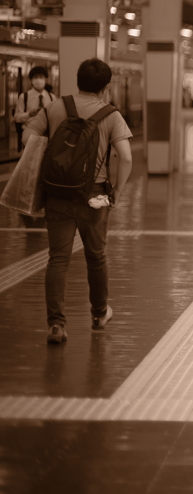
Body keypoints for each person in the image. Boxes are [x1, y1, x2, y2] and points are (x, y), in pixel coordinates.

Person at [23, 58, 133, 345]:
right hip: (95, 195)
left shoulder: (56, 106)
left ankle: (56, 325)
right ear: (106, 87)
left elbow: (27, 137)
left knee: (57, 259)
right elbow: (127, 156)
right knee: (96, 257)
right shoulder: (111, 114)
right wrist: (118, 191)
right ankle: (99, 314)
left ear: (77, 80)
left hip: (57, 193)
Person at [14, 66, 55, 151]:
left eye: (41, 77)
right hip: (30, 135)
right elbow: (17, 117)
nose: (38, 79)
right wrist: (29, 114)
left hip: (47, 135)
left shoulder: (52, 97)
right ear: (31, 80)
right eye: (35, 77)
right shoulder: (24, 97)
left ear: (46, 79)